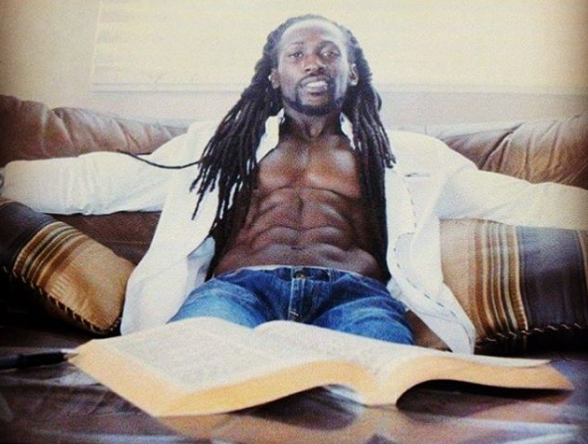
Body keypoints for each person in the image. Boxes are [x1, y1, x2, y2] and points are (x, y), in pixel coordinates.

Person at [2, 15, 587, 353]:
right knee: (189, 366)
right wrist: (10, 177)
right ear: (274, 73)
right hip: (239, 290)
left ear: (351, 72)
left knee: (385, 386)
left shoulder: (406, 155)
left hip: (354, 295)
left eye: (329, 52)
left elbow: (512, 198)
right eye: (298, 53)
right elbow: (109, 180)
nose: (314, 62)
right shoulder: (219, 146)